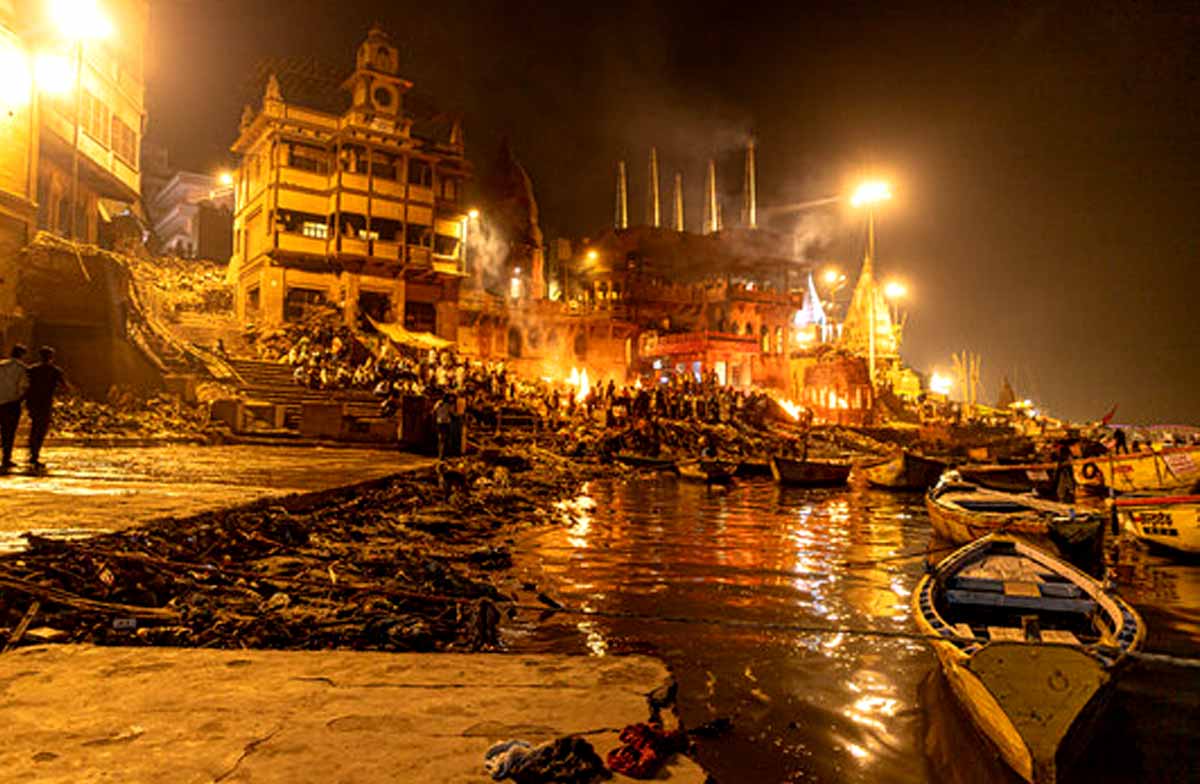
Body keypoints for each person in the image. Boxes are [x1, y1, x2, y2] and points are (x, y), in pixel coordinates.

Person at [25, 346, 64, 470]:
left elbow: (25, 385)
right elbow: (64, 386)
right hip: (45, 403)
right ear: (51, 357)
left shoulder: (32, 370)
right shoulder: (55, 371)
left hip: (33, 403)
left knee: (34, 427)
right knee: (41, 429)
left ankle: (32, 452)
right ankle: (35, 454)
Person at [0, 344, 29, 473]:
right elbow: (24, 387)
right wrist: (21, 400)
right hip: (12, 404)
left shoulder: (1, 365)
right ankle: (6, 458)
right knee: (9, 432)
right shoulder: (22, 369)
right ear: (22, 355)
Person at [433, 393, 454, 460]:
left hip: (439, 422)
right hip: (446, 422)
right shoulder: (448, 405)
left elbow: (434, 411)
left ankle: (440, 455)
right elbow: (452, 413)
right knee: (445, 439)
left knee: (440, 438)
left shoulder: (438, 403)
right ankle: (443, 455)